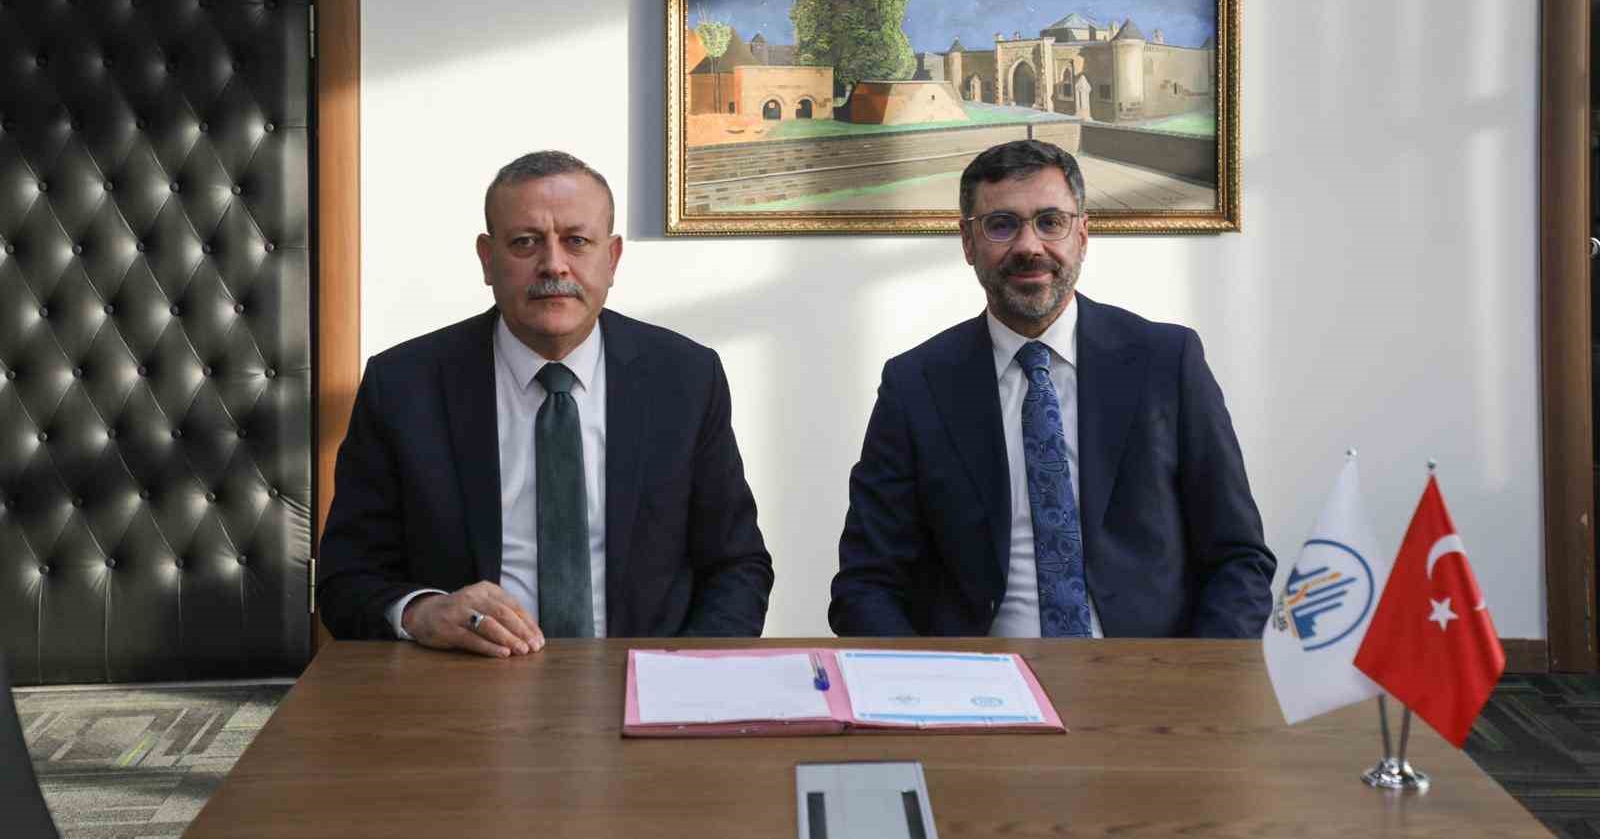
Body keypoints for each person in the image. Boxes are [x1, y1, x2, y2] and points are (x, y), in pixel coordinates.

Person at [318, 151, 773, 655]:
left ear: (612, 258)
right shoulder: (403, 385)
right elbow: (346, 579)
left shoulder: (685, 378)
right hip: (466, 679)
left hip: (645, 676)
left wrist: (684, 672)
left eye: (577, 241)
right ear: (487, 259)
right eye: (525, 242)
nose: (553, 264)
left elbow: (738, 566)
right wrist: (422, 612)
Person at [830, 139, 1274, 638]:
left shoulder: (1167, 363)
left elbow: (1239, 559)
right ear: (968, 243)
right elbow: (866, 583)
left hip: (1144, 673)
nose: (1028, 246)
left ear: (1082, 235)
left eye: (1050, 221)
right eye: (1001, 225)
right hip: (976, 678)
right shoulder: (915, 385)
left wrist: (1192, 676)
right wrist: (922, 681)